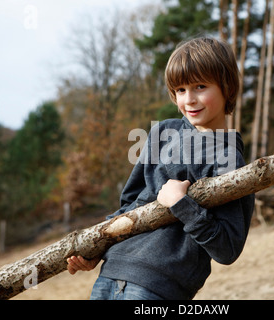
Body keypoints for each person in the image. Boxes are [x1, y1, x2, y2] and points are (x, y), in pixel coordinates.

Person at [66, 37, 255, 300]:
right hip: (110, 274)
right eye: (180, 90)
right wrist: (99, 249)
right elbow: (130, 204)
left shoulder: (229, 159)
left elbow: (227, 248)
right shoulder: (163, 132)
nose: (189, 99)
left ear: (227, 86)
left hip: (157, 287)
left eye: (200, 86)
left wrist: (181, 204)